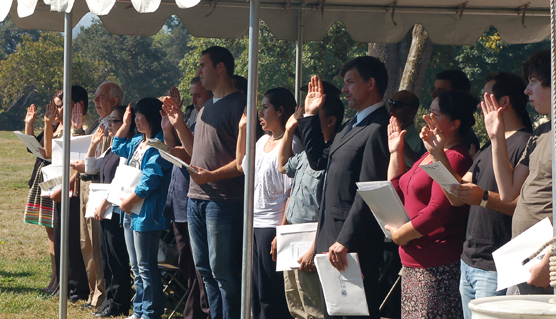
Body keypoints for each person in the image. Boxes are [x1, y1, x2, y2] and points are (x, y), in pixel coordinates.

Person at [296, 57, 391, 318]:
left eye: (350, 82)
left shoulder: (379, 127)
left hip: (352, 244)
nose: (345, 89)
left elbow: (368, 190)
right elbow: (318, 160)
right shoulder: (352, 125)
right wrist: (311, 115)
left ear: (371, 84)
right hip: (332, 239)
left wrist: (345, 240)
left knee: (355, 313)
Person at [385, 91, 475, 319]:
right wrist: (396, 151)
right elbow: (398, 188)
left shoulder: (456, 157)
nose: (428, 118)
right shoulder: (431, 152)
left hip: (437, 266)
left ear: (455, 124)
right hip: (414, 263)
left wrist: (400, 236)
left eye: (435, 114)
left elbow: (438, 211)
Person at [174, 46, 245, 319]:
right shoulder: (204, 108)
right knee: (204, 270)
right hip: (196, 200)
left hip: (223, 202)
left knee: (223, 274)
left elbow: (244, 162)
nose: (199, 72)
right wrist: (179, 123)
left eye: (203, 65)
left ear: (220, 67)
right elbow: (196, 152)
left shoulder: (240, 105)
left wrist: (210, 177)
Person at [482, 50, 553, 294]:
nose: (526, 90)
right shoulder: (541, 131)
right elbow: (508, 191)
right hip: (522, 261)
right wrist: (495, 136)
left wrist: (550, 261)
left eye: (533, 81)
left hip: (546, 267)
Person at [277, 77, 344, 319]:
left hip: (312, 238)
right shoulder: (308, 154)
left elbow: (326, 208)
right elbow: (283, 165)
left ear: (331, 120)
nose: (306, 121)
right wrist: (288, 131)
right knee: (295, 304)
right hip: (292, 235)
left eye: (313, 117)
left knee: (315, 308)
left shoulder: (331, 158)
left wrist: (315, 248)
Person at [235, 87, 301, 319]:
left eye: (265, 108)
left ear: (281, 111)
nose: (260, 114)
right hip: (254, 224)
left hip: (273, 225)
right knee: (255, 289)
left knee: (270, 293)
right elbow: (240, 165)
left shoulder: (292, 144)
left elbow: (293, 192)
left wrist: (280, 232)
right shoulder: (262, 140)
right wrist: (243, 130)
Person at [113, 98, 173, 319]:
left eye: (140, 115)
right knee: (136, 267)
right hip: (130, 210)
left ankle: (150, 313)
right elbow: (116, 146)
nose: (137, 119)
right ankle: (139, 311)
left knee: (147, 267)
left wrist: (130, 200)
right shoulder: (138, 141)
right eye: (135, 115)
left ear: (152, 117)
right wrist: (125, 122)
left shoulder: (159, 145)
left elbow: (151, 179)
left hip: (146, 212)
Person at [71, 81, 124, 310]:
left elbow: (108, 161)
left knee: (98, 246)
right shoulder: (96, 123)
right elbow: (86, 148)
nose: (95, 102)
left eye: (100, 97)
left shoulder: (116, 126)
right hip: (85, 185)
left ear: (114, 101)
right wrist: (79, 129)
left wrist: (89, 163)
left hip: (100, 187)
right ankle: (94, 293)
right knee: (86, 243)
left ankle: (102, 296)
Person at [161, 84, 212, 319]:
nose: (194, 100)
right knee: (186, 262)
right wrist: (169, 124)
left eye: (198, 95)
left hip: (199, 200)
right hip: (180, 199)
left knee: (198, 266)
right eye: (191, 96)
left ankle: (195, 313)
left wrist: (186, 153)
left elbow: (200, 157)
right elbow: (173, 147)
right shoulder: (191, 118)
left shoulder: (209, 121)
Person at [84, 105, 134, 317]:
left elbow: (121, 179)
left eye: (114, 121)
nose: (108, 125)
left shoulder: (128, 147)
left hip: (117, 209)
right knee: (106, 256)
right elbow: (90, 167)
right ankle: (109, 300)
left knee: (117, 257)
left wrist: (107, 200)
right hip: (104, 210)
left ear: (125, 123)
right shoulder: (111, 147)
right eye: (109, 121)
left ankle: (119, 302)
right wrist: (93, 143)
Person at [48, 86, 92, 302]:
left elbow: (82, 161)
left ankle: (77, 289)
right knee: (59, 238)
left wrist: (65, 185)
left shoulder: (88, 126)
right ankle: (64, 285)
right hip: (61, 188)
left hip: (74, 191)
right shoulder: (66, 126)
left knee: (73, 241)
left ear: (79, 106)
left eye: (63, 105)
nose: (59, 111)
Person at [23, 98, 60, 295]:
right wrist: (29, 123)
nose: (55, 109)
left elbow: (48, 153)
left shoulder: (68, 128)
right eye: (53, 104)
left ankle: (60, 278)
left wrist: (47, 124)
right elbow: (34, 148)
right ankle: (55, 276)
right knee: (51, 233)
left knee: (57, 232)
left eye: (59, 105)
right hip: (43, 178)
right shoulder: (54, 124)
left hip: (56, 181)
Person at [432, 70, 480, 158]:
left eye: (441, 91)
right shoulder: (432, 135)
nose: (433, 94)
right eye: (433, 89)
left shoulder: (463, 147)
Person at [388, 90, 425, 168]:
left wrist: (401, 143)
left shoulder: (420, 142)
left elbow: (419, 167)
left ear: (412, 112)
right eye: (390, 103)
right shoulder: (380, 132)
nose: (391, 108)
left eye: (397, 105)